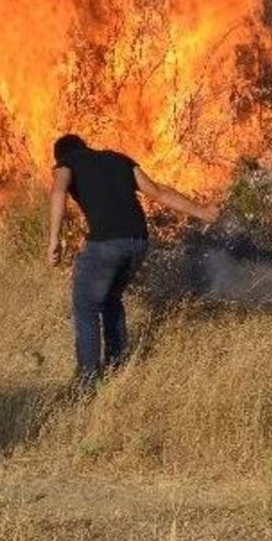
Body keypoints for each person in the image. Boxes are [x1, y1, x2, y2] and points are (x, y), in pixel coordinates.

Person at [46, 134, 219, 388]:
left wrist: (54, 239)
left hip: (106, 243)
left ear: (61, 156)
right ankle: (117, 365)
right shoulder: (119, 159)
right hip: (138, 242)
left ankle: (87, 382)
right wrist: (202, 211)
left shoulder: (67, 162)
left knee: (86, 307)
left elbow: (58, 192)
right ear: (86, 146)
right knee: (111, 299)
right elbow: (158, 192)